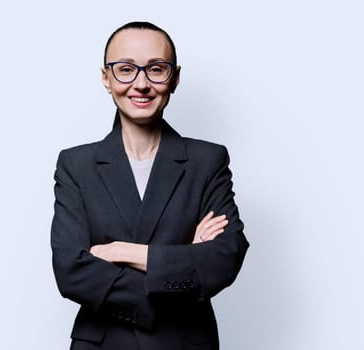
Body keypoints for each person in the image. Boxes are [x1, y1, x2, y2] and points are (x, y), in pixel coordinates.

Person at [51, 21, 249, 350]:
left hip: (184, 343)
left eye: (156, 69)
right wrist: (184, 260)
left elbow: (223, 259)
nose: (141, 84)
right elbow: (71, 270)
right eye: (125, 69)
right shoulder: (76, 165)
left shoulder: (207, 160)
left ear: (175, 77)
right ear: (106, 78)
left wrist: (119, 252)